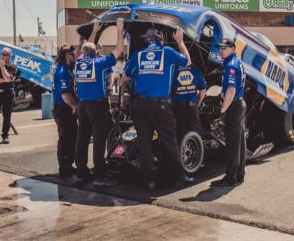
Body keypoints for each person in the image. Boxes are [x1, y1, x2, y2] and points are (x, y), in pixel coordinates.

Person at [123, 27, 193, 191]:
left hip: (140, 104)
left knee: (144, 142)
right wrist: (180, 42)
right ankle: (178, 177)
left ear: (147, 40)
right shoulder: (168, 52)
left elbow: (126, 77)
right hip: (160, 105)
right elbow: (188, 61)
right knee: (169, 141)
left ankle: (149, 181)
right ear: (161, 40)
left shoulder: (139, 54)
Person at [74, 18, 124, 187]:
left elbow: (86, 47)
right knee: (99, 139)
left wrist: (95, 31)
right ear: (95, 53)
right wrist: (119, 29)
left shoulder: (79, 62)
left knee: (82, 138)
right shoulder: (100, 63)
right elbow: (118, 50)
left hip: (82, 105)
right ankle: (99, 176)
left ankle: (81, 172)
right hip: (97, 105)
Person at [211, 38, 247, 187]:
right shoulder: (236, 62)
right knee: (240, 143)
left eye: (224, 48)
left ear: (232, 48)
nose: (221, 50)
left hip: (233, 106)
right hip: (239, 104)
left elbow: (231, 91)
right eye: (219, 48)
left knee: (233, 144)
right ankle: (239, 175)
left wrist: (223, 112)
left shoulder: (231, 66)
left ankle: (230, 178)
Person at [52, 44, 78, 178]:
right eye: (74, 54)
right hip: (63, 108)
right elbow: (65, 94)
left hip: (67, 108)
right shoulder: (62, 71)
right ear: (68, 56)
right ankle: (64, 167)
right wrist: (75, 107)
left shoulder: (69, 69)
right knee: (65, 137)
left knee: (72, 136)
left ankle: (69, 165)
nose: (76, 56)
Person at [171, 64, 207, 144]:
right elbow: (203, 89)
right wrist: (199, 101)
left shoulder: (172, 70)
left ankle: (180, 154)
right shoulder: (195, 70)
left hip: (176, 108)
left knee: (178, 133)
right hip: (192, 107)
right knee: (196, 132)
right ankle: (197, 153)